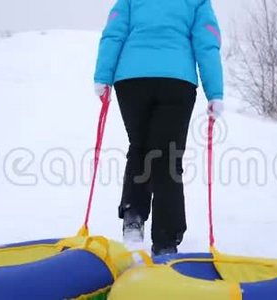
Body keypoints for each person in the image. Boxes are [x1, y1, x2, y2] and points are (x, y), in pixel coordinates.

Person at [94, 0, 224, 255]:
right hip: (176, 80)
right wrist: (215, 92)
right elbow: (207, 42)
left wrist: (102, 76)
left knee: (140, 147)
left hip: (132, 80)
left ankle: (133, 217)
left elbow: (113, 33)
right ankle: (166, 240)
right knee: (167, 155)